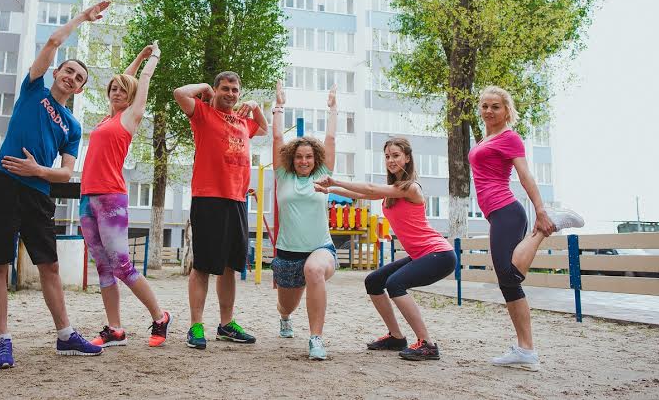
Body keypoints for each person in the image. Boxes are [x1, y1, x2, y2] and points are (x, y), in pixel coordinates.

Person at [0, 1, 111, 369]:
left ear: (80, 89)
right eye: (68, 71)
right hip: (4, 183)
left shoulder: (73, 126)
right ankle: (3, 341)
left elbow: (66, 173)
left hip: (37, 194)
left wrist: (37, 170)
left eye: (79, 78)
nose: (72, 77)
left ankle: (65, 335)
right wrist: (82, 18)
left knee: (49, 266)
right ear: (56, 72)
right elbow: (53, 41)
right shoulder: (33, 89)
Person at [469, 86, 583, 371]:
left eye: (495, 106)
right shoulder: (487, 138)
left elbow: (525, 175)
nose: (488, 111)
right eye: (484, 106)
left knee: (509, 276)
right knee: (508, 281)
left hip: (507, 211)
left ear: (507, 110)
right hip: (497, 213)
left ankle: (548, 226)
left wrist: (540, 210)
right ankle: (525, 350)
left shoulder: (510, 138)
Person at [315, 137, 456, 362]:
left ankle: (427, 344)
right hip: (422, 255)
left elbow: (370, 187)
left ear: (407, 158)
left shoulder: (411, 188)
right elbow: (363, 194)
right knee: (374, 281)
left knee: (395, 283)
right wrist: (330, 190)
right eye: (388, 156)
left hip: (439, 254)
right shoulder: (392, 191)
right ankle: (396, 337)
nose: (391, 160)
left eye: (396, 155)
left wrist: (334, 180)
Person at [79, 41, 172, 348]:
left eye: (122, 90)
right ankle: (115, 329)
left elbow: (140, 81)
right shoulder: (107, 118)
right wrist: (137, 57)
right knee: (103, 267)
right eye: (113, 89)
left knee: (121, 266)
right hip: (87, 197)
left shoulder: (130, 116)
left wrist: (153, 57)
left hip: (111, 199)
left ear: (130, 96)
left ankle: (160, 316)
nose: (116, 92)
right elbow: (125, 79)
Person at [173, 72, 268, 350]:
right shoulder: (202, 114)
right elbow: (179, 93)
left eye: (235, 90)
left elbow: (264, 128)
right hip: (208, 198)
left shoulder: (242, 121)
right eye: (225, 88)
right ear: (216, 90)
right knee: (203, 265)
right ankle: (196, 326)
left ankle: (226, 325)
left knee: (229, 266)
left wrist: (255, 105)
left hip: (237, 199)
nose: (231, 94)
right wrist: (204, 87)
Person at [271, 81, 338, 361]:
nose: (304, 161)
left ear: (316, 158)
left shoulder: (322, 174)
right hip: (288, 253)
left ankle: (316, 339)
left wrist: (333, 109)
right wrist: (279, 106)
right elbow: (277, 138)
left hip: (320, 248)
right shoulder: (283, 176)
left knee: (314, 270)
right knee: (287, 305)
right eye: (299, 156)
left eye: (309, 156)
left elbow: (330, 139)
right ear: (292, 159)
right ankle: (285, 318)